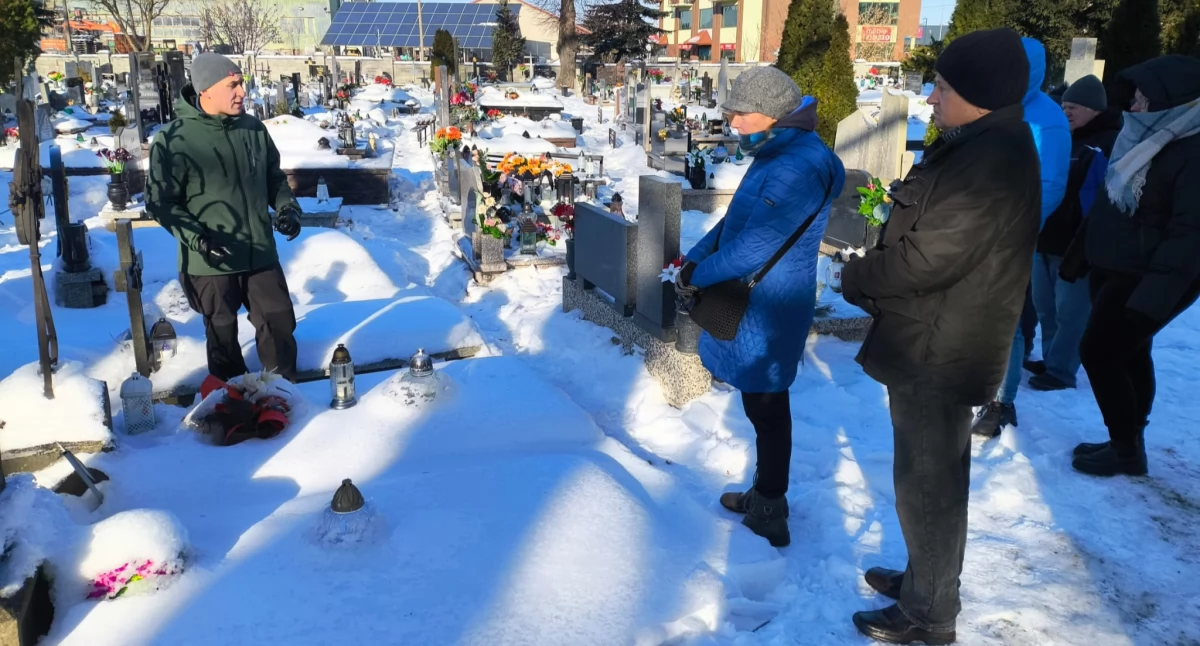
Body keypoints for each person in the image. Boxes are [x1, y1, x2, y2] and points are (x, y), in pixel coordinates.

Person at [840, 28, 1040, 643]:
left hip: (940, 347)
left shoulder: (993, 159)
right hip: (934, 334)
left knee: (929, 482)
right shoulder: (978, 143)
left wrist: (857, 277)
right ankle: (925, 578)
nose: (931, 97)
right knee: (927, 475)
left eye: (944, 86)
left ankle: (930, 615)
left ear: (979, 94)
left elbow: (928, 260)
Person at [677, 66, 845, 548]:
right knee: (760, 402)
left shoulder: (798, 165)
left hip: (769, 301)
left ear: (771, 115)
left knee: (768, 404)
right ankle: (764, 490)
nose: (732, 124)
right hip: (756, 295)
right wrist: (696, 256)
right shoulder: (779, 151)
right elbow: (736, 221)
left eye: (740, 116)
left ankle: (771, 505)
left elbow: (756, 245)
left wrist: (698, 275)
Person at [1073, 55, 1200, 477]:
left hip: (1145, 277)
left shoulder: (1190, 150)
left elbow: (1189, 236)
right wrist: (1080, 254)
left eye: (1147, 98)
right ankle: (1127, 441)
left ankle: (1125, 448)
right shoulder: (1143, 138)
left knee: (1100, 352)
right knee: (1130, 353)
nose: (1137, 104)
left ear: (1177, 102)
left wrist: (1152, 299)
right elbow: (1110, 204)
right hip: (1115, 264)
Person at [147, 53, 304, 383]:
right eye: (232, 85)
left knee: (278, 321)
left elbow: (273, 178)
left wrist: (287, 207)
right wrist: (199, 239)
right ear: (205, 90)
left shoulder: (252, 129)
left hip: (258, 249)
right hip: (209, 258)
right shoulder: (173, 139)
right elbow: (161, 202)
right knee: (222, 334)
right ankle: (232, 405)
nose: (242, 92)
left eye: (241, 83)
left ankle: (283, 395)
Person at [970, 37, 1072, 438]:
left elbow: (1051, 185)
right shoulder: (989, 106)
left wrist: (1010, 228)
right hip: (971, 227)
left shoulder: (1046, 118)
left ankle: (1001, 402)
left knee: (1004, 320)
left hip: (1009, 234)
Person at [1026, 74, 1122, 391]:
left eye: (1074, 107)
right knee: (1045, 305)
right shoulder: (1060, 138)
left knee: (1071, 311)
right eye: (1064, 106)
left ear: (1095, 109)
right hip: (1045, 234)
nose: (1066, 112)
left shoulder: (1108, 142)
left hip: (1077, 242)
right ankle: (1052, 358)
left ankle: (1062, 370)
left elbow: (1103, 197)